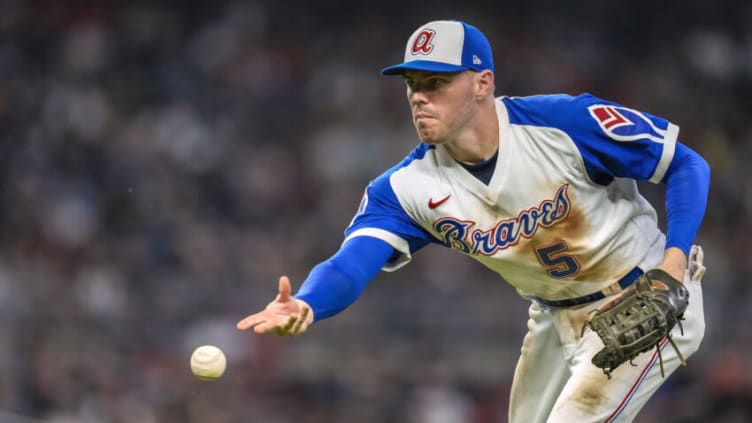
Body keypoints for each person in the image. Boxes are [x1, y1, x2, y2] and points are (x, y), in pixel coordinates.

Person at [237, 20, 710, 422]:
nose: (419, 98)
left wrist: (673, 261)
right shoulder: (406, 188)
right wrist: (306, 303)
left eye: (436, 83)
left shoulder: (561, 124)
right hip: (552, 315)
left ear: (482, 83)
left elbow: (686, 164)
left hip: (648, 295)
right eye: (412, 85)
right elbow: (348, 265)